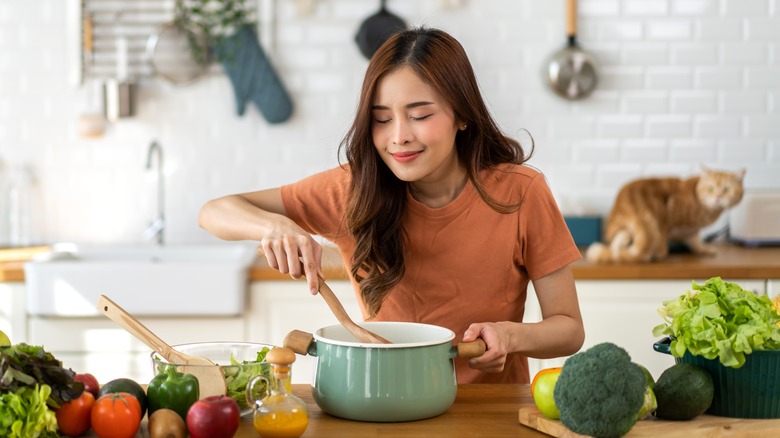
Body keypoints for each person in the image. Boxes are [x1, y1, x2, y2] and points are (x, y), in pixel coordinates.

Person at [198, 27, 584, 384]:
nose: (398, 137)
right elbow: (214, 211)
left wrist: (510, 335)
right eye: (382, 119)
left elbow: (568, 329)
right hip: (382, 400)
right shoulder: (353, 189)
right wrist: (273, 227)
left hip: (491, 410)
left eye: (419, 115)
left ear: (462, 114)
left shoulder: (521, 192)